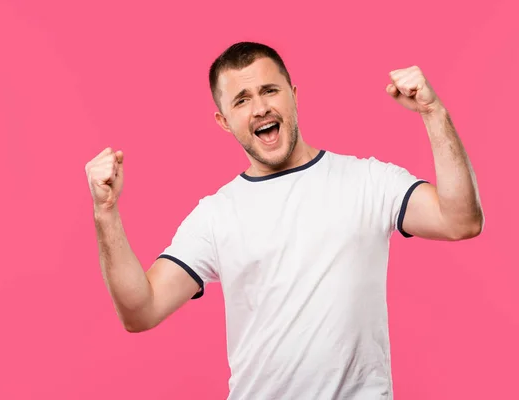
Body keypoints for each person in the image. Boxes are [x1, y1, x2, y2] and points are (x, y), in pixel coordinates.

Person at [84, 42, 484, 399]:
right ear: (224, 121)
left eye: (269, 90)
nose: (260, 107)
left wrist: (433, 113)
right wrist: (106, 214)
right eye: (241, 100)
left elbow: (460, 220)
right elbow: (141, 311)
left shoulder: (368, 181)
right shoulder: (216, 215)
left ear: (293, 96)